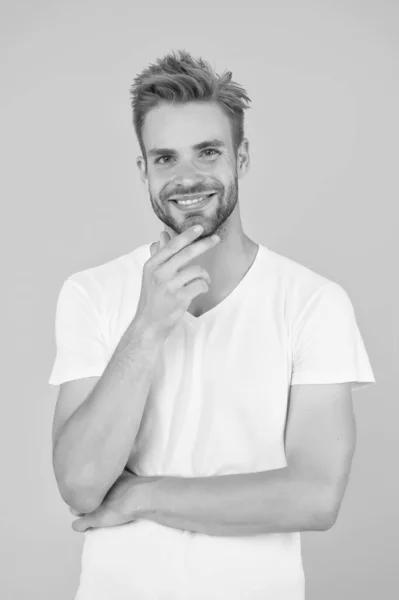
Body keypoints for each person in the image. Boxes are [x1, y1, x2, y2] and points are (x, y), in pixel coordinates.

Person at [48, 49, 376, 599]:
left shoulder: (314, 302)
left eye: (207, 152)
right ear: (144, 170)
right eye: (165, 158)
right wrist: (148, 326)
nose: (187, 177)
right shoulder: (91, 293)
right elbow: (81, 485)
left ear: (241, 158)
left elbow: (315, 498)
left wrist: (139, 494)